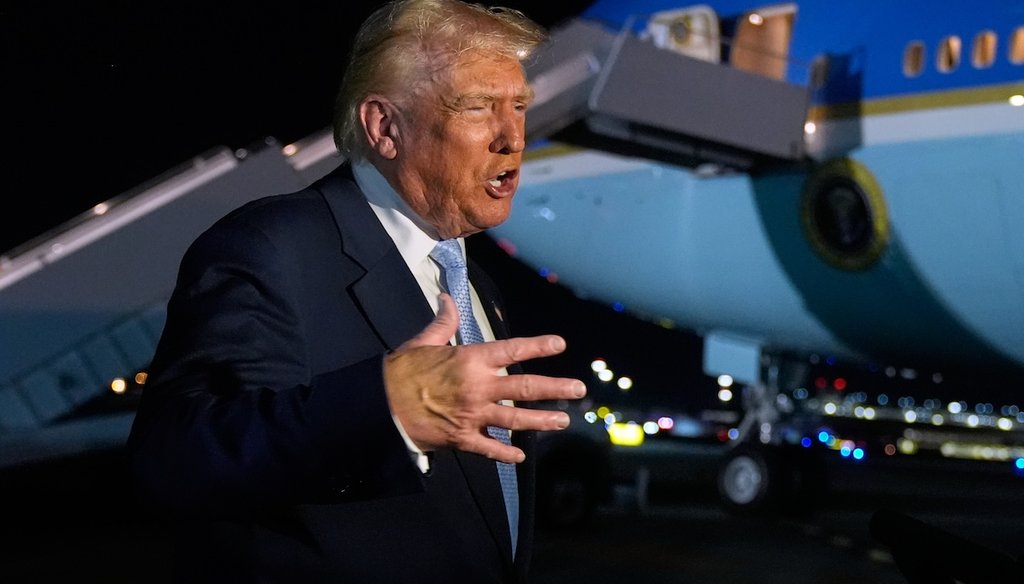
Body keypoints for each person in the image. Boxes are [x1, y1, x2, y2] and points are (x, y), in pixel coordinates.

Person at [124, 0, 587, 582]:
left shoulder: (477, 284)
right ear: (384, 127)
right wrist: (387, 410)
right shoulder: (271, 246)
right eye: (477, 107)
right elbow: (174, 461)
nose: (512, 137)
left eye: (519, 106)